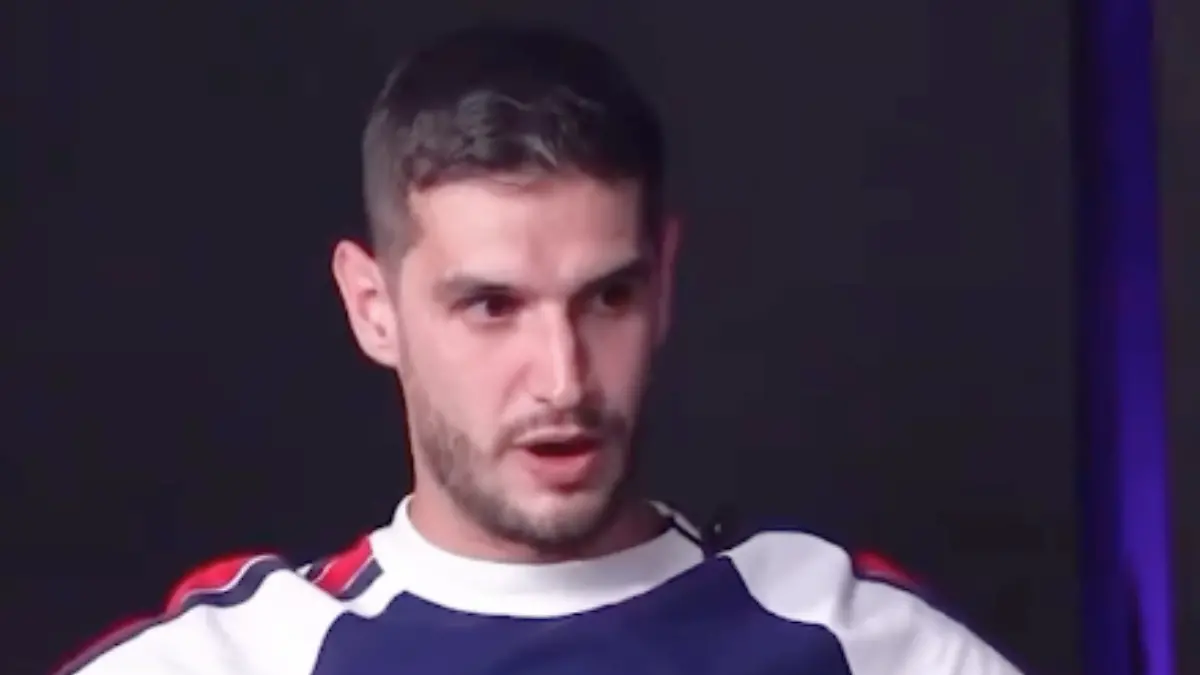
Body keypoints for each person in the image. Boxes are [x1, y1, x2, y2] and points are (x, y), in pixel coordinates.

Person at [58, 24, 1024, 675]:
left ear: (665, 281)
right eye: (492, 306)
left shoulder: (859, 643)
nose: (563, 379)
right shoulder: (237, 659)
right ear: (372, 307)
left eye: (608, 296)